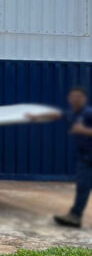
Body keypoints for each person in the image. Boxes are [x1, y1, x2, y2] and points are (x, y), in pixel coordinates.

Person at [54, 87, 92, 228]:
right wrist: (35, 116)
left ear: (84, 99)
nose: (76, 99)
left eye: (79, 97)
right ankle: (75, 217)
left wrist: (84, 130)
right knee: (83, 187)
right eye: (73, 96)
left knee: (83, 186)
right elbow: (60, 115)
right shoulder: (73, 113)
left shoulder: (88, 113)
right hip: (85, 156)